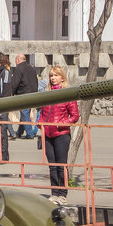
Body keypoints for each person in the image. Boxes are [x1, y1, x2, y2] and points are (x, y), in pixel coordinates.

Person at [38, 65, 80, 203]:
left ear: (62, 78)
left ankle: (63, 193)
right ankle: (54, 192)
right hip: (48, 133)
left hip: (61, 134)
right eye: (51, 75)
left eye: (56, 75)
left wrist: (61, 124)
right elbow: (42, 113)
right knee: (52, 165)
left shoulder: (66, 94)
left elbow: (74, 116)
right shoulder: (46, 94)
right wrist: (40, 123)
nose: (53, 78)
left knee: (61, 165)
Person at [10, 52, 40, 139]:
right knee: (25, 113)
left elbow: (15, 82)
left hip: (24, 93)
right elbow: (36, 80)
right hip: (33, 92)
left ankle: (30, 133)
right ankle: (19, 132)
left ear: (18, 60)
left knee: (24, 113)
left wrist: (12, 92)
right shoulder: (31, 67)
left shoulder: (19, 68)